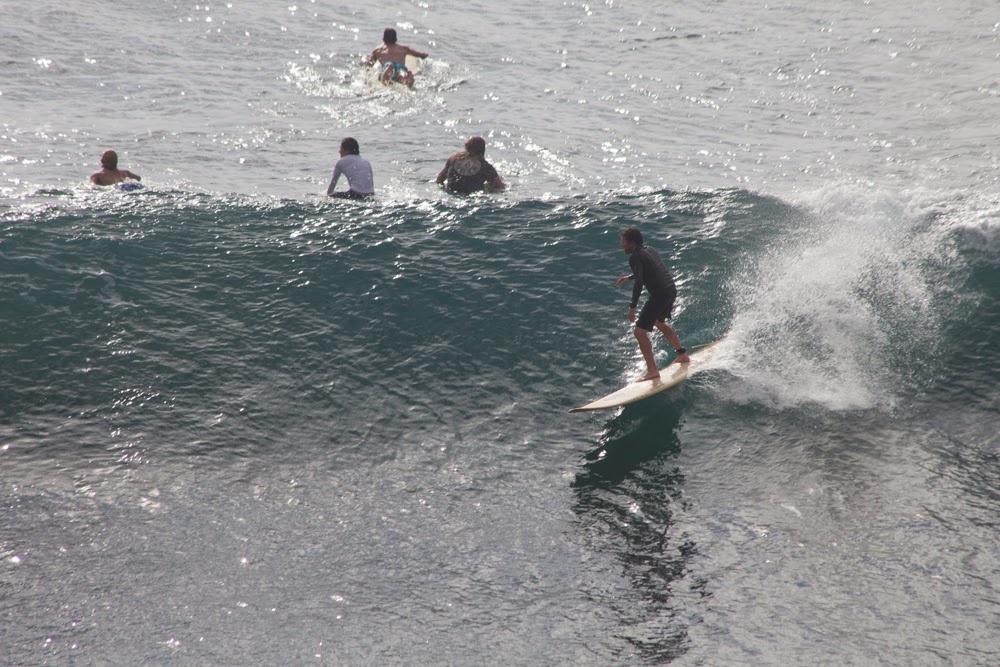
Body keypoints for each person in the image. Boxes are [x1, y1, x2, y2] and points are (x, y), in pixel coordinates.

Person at [614, 227, 691, 381]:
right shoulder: (650, 250)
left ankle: (652, 371)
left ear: (633, 243)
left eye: (624, 242)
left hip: (660, 294)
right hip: (670, 289)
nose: (621, 245)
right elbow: (651, 270)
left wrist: (632, 307)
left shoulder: (635, 257)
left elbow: (639, 283)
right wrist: (629, 277)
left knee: (639, 332)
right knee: (659, 322)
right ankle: (682, 355)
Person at [436, 136, 505, 195]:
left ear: (467, 146)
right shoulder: (485, 166)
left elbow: (440, 178)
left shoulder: (453, 159)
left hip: (451, 192)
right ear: (483, 150)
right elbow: (500, 187)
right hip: (473, 195)